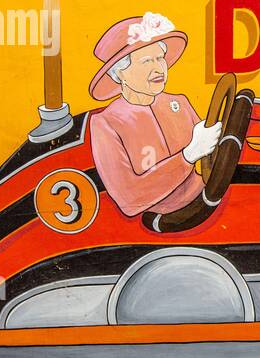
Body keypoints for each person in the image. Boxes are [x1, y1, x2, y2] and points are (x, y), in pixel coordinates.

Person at [88, 13, 222, 217]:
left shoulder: (179, 102)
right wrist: (189, 155)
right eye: (146, 61)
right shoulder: (106, 123)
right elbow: (129, 200)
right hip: (159, 224)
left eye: (160, 58)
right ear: (119, 73)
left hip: (205, 203)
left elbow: (211, 158)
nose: (159, 68)